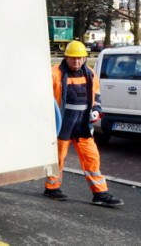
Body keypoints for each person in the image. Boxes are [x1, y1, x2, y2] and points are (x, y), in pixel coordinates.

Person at [44, 40, 123, 207]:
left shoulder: (90, 74)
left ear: (85, 58)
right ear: (66, 57)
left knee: (92, 159)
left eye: (80, 58)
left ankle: (100, 193)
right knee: (58, 158)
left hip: (82, 125)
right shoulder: (54, 73)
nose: (77, 62)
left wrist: (96, 109)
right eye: (73, 58)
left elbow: (96, 94)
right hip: (62, 124)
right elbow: (45, 99)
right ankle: (52, 188)